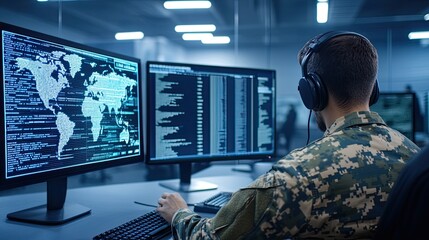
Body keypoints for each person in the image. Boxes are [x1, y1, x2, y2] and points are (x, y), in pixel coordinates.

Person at [156, 31, 421, 239]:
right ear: (372, 89)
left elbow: (211, 237)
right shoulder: (415, 158)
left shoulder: (299, 174)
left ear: (312, 91)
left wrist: (180, 213)